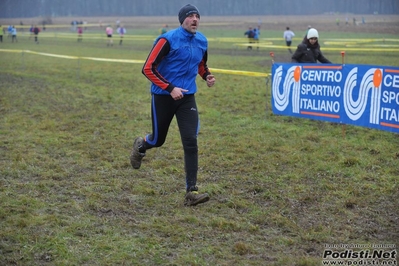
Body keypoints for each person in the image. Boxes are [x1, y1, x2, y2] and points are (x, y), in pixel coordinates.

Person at [130, 4, 216, 206]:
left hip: (187, 98)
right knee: (158, 140)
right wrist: (170, 88)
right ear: (182, 20)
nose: (195, 19)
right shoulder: (166, 40)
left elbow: (200, 65)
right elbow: (147, 68)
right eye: (190, 16)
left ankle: (191, 192)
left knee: (190, 141)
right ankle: (141, 145)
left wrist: (207, 76)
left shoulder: (202, 40)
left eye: (197, 16)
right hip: (163, 96)